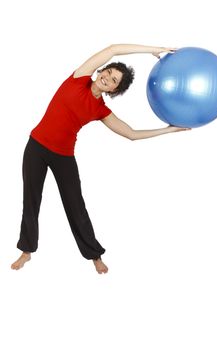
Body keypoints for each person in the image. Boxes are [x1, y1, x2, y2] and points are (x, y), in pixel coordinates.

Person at [11, 44, 189, 274]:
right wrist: (154, 49)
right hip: (36, 146)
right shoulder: (77, 78)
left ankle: (94, 255)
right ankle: (26, 251)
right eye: (108, 72)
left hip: (63, 156)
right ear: (101, 70)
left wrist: (169, 130)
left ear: (114, 90)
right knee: (31, 199)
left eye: (114, 80)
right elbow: (113, 49)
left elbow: (131, 134)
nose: (108, 77)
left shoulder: (99, 109)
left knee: (76, 206)